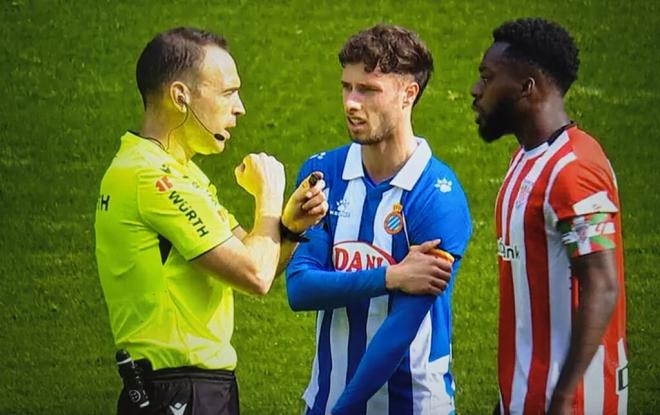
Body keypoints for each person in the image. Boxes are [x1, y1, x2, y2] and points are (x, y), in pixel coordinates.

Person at [95, 27, 328, 415]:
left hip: (192, 387)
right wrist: (268, 194)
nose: (240, 108)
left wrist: (286, 227)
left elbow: (258, 265)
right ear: (180, 97)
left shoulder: (180, 174)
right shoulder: (154, 180)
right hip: (179, 390)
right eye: (228, 92)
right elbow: (254, 274)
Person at [286, 24, 472, 415]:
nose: (351, 103)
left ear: (409, 94)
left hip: (414, 406)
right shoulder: (324, 174)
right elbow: (300, 288)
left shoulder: (439, 198)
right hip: (324, 400)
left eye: (367, 90)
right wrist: (392, 277)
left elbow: (396, 335)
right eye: (346, 87)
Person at [471, 18, 628, 415]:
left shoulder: (574, 171)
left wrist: (560, 400)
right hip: (525, 396)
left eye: (487, 78)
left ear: (527, 88)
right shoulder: (524, 159)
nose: (476, 92)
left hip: (574, 402)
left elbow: (603, 285)